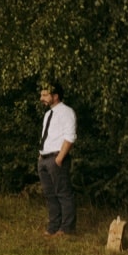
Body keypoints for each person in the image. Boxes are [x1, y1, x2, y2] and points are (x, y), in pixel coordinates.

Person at [38, 82, 77, 236]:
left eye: (45, 95)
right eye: (41, 95)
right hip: (44, 159)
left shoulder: (67, 112)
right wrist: (41, 156)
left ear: (55, 96)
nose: (42, 98)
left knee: (63, 193)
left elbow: (70, 137)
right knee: (50, 194)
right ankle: (53, 226)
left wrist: (59, 158)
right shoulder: (48, 114)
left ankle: (67, 228)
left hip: (56, 158)